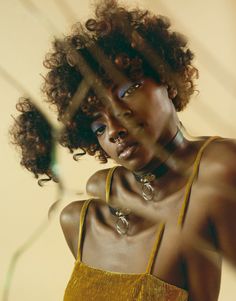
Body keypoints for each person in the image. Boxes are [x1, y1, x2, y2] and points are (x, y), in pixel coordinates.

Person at [10, 0, 236, 300]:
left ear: (166, 78)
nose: (115, 129)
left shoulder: (219, 167)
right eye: (98, 127)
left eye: (126, 91)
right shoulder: (80, 223)